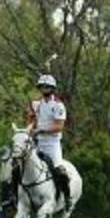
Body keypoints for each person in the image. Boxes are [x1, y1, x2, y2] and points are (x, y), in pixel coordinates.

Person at [26, 73, 71, 209]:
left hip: (52, 144)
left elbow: (59, 126)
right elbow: (31, 120)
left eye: (47, 87)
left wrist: (41, 129)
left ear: (52, 88)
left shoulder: (58, 105)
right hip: (38, 143)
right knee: (20, 165)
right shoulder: (36, 104)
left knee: (59, 171)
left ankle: (66, 198)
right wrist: (29, 126)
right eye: (42, 87)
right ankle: (13, 197)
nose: (44, 89)